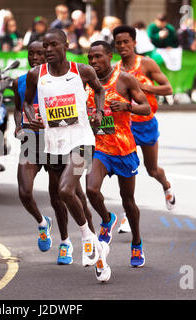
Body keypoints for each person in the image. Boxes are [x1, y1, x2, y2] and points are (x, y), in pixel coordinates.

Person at [23, 29, 111, 281]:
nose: (48, 50)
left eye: (53, 45)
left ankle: (85, 236)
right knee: (72, 196)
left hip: (82, 141)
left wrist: (99, 111)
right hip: (53, 144)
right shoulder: (35, 75)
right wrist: (31, 117)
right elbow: (27, 102)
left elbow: (100, 90)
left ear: (65, 45)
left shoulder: (81, 71)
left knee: (64, 191)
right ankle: (96, 251)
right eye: (45, 46)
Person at [13, 40, 94, 265]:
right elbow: (19, 108)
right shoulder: (22, 80)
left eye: (41, 53)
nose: (36, 57)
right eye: (32, 53)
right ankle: (42, 223)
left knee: (61, 196)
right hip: (31, 142)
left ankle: (67, 242)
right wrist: (20, 125)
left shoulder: (65, 77)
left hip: (58, 144)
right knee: (25, 192)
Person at [85, 40, 150, 269]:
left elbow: (146, 108)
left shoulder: (124, 79)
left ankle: (137, 242)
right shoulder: (86, 82)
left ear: (109, 56)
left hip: (124, 149)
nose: (93, 62)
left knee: (128, 200)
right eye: (90, 58)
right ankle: (106, 218)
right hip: (99, 147)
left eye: (98, 57)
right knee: (91, 189)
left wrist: (127, 107)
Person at [112, 25, 176, 228]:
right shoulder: (115, 68)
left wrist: (143, 86)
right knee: (127, 170)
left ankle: (166, 185)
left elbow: (168, 88)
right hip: (125, 126)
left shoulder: (146, 64)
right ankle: (127, 214)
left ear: (134, 43)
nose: (122, 46)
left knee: (152, 170)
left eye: (126, 42)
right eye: (119, 43)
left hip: (146, 123)